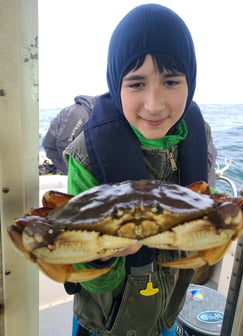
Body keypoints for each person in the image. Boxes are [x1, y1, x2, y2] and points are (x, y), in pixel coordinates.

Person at [63, 4, 217, 336]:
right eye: (136, 84)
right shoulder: (89, 156)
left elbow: (206, 203)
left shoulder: (197, 135)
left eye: (171, 81)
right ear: (116, 85)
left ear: (191, 81)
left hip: (167, 313)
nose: (154, 103)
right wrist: (102, 256)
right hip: (105, 324)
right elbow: (81, 267)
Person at [42, 95, 97, 174]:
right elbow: (63, 143)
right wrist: (72, 171)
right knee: (74, 176)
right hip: (54, 149)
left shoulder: (88, 112)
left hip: (67, 145)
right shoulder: (80, 114)